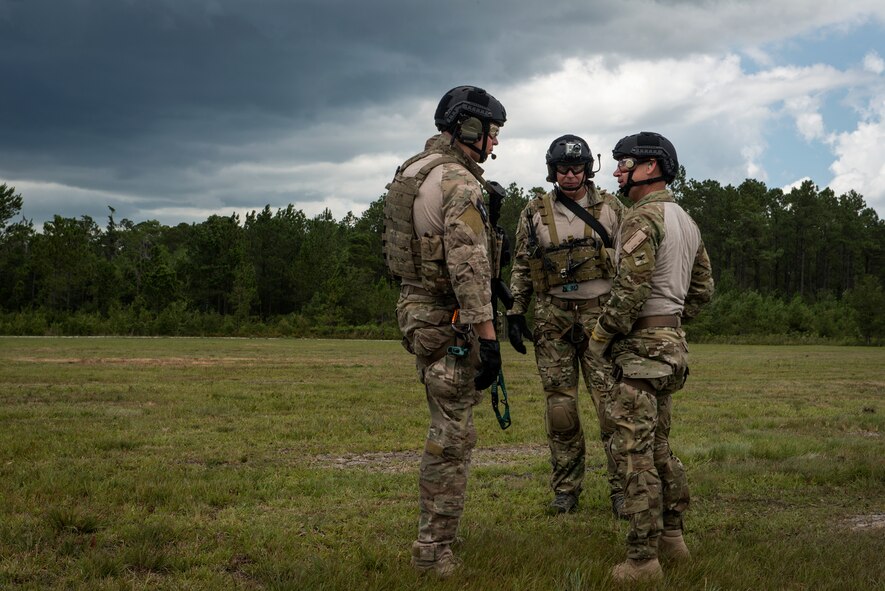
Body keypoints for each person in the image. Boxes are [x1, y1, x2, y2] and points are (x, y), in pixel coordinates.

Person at [382, 85, 507, 579]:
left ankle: (439, 537)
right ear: (470, 130)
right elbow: (468, 269)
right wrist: (490, 338)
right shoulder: (458, 181)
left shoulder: (412, 170)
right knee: (452, 437)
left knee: (446, 424)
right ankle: (434, 550)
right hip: (449, 318)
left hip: (416, 312)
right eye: (491, 134)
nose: (494, 145)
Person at [586, 131, 714, 583]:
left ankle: (642, 561)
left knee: (633, 454)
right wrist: (670, 323)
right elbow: (702, 291)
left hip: (641, 352)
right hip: (671, 348)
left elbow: (630, 290)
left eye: (625, 162)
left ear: (650, 167)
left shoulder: (644, 218)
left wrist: (600, 337)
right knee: (659, 446)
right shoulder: (687, 221)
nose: (617, 169)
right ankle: (674, 540)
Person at [506, 134, 625, 516]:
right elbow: (523, 264)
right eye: (562, 169)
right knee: (561, 410)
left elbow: (631, 263)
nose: (570, 176)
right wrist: (514, 312)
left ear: (589, 169)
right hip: (553, 317)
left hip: (600, 316)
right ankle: (566, 489)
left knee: (611, 407)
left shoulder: (612, 208)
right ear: (552, 171)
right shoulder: (533, 212)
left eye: (576, 169)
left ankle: (623, 489)